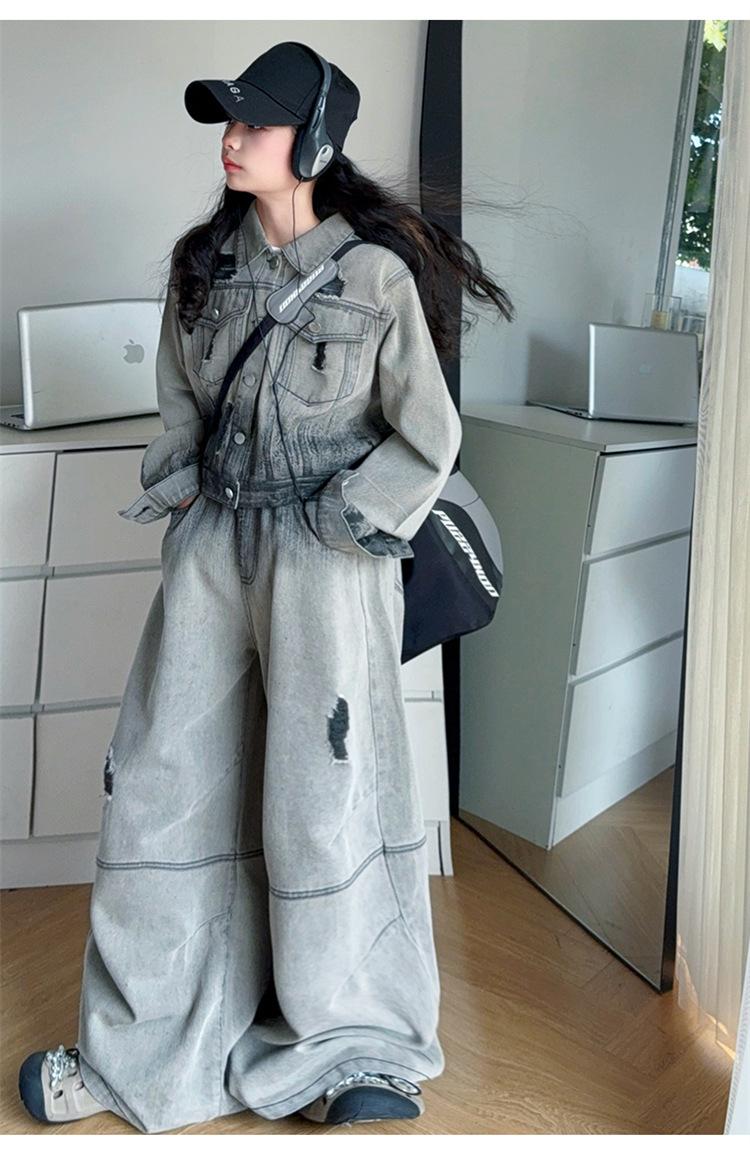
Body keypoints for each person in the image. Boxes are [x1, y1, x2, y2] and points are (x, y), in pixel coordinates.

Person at [18, 41, 514, 1134]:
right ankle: (142, 1050)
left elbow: (427, 435)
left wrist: (346, 519)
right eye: (229, 121)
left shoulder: (375, 280)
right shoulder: (204, 265)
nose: (234, 139)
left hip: (329, 564)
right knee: (163, 781)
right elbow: (178, 402)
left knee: (326, 797)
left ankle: (359, 1045)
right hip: (213, 553)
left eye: (257, 121)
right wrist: (183, 489)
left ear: (316, 139)